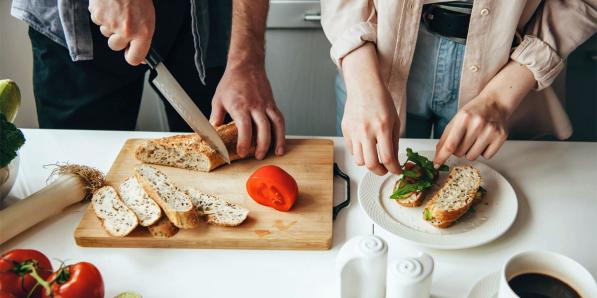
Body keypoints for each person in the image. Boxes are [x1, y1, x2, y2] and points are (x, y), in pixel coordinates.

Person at [322, 1, 596, 175]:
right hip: (375, 52)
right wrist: (362, 83)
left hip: (509, 63)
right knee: (365, 195)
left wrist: (499, 99)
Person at [11, 0, 285, 160]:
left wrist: (246, 59)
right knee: (81, 175)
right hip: (77, 18)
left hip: (203, 14)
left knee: (231, 155)